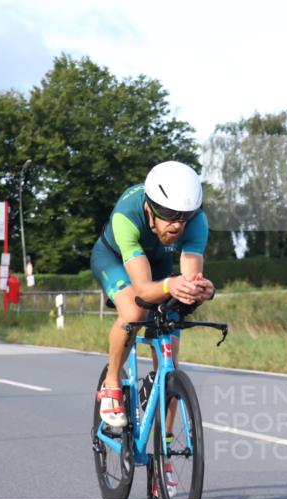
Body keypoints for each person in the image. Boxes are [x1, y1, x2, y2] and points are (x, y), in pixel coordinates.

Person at [90, 161, 215, 428]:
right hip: (113, 259)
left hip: (159, 265)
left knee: (170, 364)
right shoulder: (127, 216)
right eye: (170, 214)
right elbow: (144, 290)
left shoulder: (197, 223)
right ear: (150, 208)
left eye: (185, 215)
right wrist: (171, 285)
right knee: (135, 312)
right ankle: (111, 382)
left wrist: (199, 291)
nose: (178, 225)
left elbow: (189, 280)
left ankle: (164, 455)